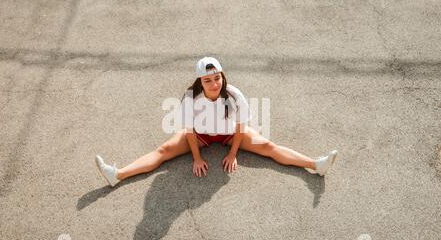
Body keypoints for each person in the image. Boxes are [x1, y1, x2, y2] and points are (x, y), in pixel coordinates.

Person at [95, 57, 337, 187]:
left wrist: (233, 153)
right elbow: (189, 132)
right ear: (201, 81)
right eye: (208, 80)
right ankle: (118, 174)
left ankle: (316, 165)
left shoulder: (233, 94)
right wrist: (197, 157)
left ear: (222, 76)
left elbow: (241, 126)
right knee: (163, 151)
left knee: (268, 147)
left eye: (217, 78)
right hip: (200, 135)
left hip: (231, 133)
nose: (215, 83)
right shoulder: (190, 98)